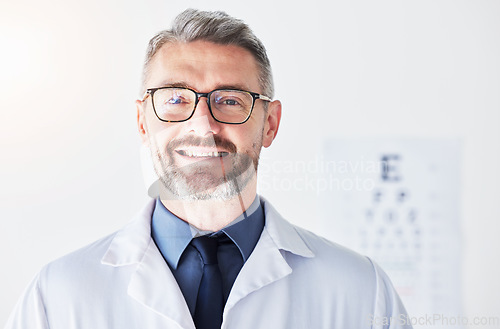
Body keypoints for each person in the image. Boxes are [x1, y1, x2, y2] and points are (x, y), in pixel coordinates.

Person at [4, 9, 412, 329]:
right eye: (176, 99)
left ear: (269, 124)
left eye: (230, 100)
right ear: (143, 121)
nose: (202, 125)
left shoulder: (361, 291)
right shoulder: (56, 298)